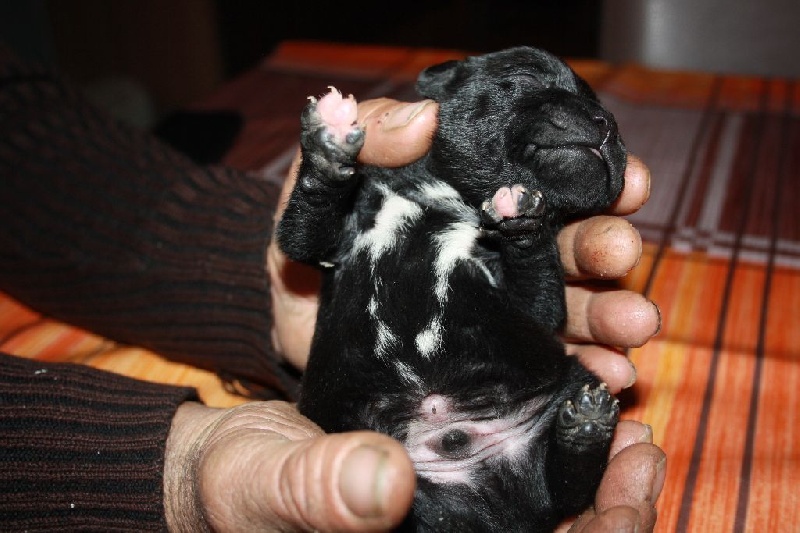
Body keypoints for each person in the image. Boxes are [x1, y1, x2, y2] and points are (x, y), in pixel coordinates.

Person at [0, 49, 664, 532]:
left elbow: (542, 314)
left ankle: (572, 458)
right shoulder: (376, 186)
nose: (597, 123)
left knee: (568, 414)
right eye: (532, 82)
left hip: (517, 418)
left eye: (599, 113)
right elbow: (303, 243)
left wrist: (524, 240)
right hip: (390, 438)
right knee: (394, 494)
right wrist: (325, 171)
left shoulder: (514, 222)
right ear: (446, 86)